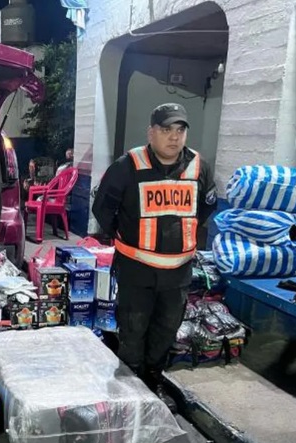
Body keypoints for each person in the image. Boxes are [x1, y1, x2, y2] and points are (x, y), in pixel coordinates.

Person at [92, 103, 217, 411]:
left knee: (165, 330)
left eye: (180, 130)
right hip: (137, 270)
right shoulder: (128, 166)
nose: (174, 137)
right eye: (166, 129)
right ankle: (131, 388)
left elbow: (205, 208)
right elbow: (103, 210)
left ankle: (153, 379)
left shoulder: (199, 167)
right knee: (133, 330)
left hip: (178, 273)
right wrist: (124, 235)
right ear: (151, 132)